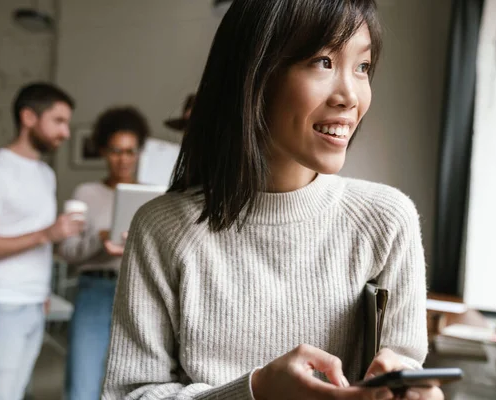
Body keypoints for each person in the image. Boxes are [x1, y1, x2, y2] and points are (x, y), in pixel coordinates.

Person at [102, 0, 441, 399]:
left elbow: (404, 371)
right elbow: (130, 394)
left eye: (362, 67)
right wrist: (256, 391)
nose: (350, 95)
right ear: (254, 73)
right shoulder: (162, 228)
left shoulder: (387, 221)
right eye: (322, 61)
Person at [0, 82, 83, 400]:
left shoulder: (45, 174)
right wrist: (46, 234)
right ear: (28, 117)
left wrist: (41, 289)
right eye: (58, 121)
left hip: (33, 304)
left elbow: (35, 240)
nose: (66, 132)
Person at [58, 107, 149, 400]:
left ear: (139, 153)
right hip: (94, 290)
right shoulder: (86, 193)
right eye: (115, 151)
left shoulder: (154, 196)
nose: (123, 159)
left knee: (134, 385)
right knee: (82, 384)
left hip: (139, 294)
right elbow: (67, 252)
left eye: (130, 151)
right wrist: (99, 240)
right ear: (102, 151)